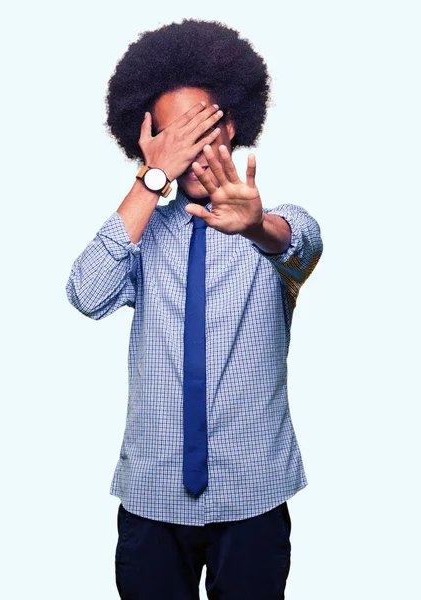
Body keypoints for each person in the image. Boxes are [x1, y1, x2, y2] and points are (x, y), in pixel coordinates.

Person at [65, 18, 323, 600]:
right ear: (148, 139)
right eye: (172, 135)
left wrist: (257, 224)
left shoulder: (272, 231)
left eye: (201, 126)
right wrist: (151, 179)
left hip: (253, 495)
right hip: (152, 499)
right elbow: (86, 294)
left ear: (230, 124)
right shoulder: (142, 235)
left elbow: (300, 242)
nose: (191, 147)